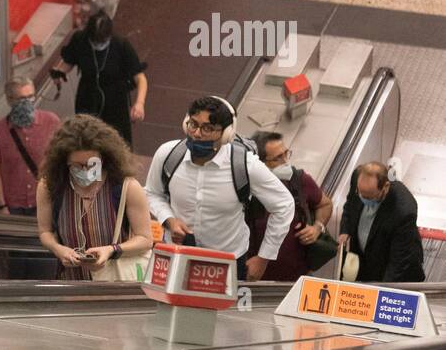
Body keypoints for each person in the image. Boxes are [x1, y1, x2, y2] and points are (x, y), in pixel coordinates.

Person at [144, 96, 293, 282]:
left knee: (221, 312)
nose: (197, 134)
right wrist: (169, 219)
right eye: (193, 124)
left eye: (207, 128)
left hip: (225, 263)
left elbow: (284, 204)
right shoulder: (168, 154)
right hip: (175, 255)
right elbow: (152, 193)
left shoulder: (244, 165)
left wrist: (264, 257)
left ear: (226, 134)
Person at [35, 114, 152, 280]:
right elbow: (45, 231)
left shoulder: (127, 187)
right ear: (63, 162)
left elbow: (145, 239)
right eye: (77, 165)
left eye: (91, 164)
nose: (85, 170)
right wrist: (58, 249)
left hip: (115, 283)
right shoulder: (50, 187)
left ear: (104, 158)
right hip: (70, 282)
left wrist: (111, 250)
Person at [246, 131, 334, 282]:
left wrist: (317, 228)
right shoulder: (246, 186)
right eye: (277, 158)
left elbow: (325, 204)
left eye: (286, 153)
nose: (285, 161)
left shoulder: (299, 181)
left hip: (296, 277)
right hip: (254, 277)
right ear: (259, 163)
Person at [55, 12, 148, 147]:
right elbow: (69, 60)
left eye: (102, 41)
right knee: (85, 137)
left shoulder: (121, 45)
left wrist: (139, 103)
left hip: (115, 98)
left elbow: (140, 78)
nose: (98, 45)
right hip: (87, 95)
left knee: (118, 140)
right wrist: (59, 73)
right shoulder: (80, 40)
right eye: (95, 41)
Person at [0, 75, 59, 216]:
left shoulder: (51, 122)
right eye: (21, 98)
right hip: (14, 205)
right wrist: (2, 205)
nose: (27, 102)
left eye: (30, 96)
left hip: (44, 201)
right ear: (10, 100)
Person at [338, 162, 424, 283]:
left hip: (388, 267)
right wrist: (345, 230)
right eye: (360, 193)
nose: (362, 198)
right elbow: (350, 204)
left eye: (368, 197)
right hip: (365, 261)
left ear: (385, 187)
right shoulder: (358, 177)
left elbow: (398, 263)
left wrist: (381, 290)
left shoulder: (403, 211)